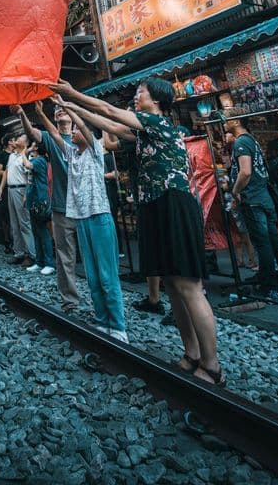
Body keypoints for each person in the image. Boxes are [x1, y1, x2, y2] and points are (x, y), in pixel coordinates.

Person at [54, 77, 223, 385]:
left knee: (188, 286)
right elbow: (108, 122)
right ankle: (192, 354)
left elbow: (108, 109)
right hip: (156, 204)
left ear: (156, 100)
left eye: (139, 92)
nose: (135, 96)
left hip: (173, 203)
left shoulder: (156, 122)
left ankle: (211, 365)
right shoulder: (145, 130)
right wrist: (73, 106)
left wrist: (72, 91)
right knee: (172, 285)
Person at [48, 96, 128, 340]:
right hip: (82, 219)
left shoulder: (95, 150)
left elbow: (82, 127)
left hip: (100, 217)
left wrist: (68, 106)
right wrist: (39, 113)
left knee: (106, 274)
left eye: (76, 130)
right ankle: (102, 320)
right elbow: (53, 133)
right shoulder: (73, 155)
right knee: (93, 275)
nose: (72, 133)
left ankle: (119, 326)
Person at [16, 103, 81, 313]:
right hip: (62, 206)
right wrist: (22, 114)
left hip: (87, 207)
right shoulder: (52, 141)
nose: (60, 110)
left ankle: (105, 308)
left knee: (93, 257)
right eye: (56, 110)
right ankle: (70, 301)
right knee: (64, 256)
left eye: (63, 108)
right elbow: (31, 132)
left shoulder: (83, 137)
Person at [226, 120, 278, 299]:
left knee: (263, 243)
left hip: (253, 199)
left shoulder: (241, 142)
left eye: (226, 118)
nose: (223, 122)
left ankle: (269, 286)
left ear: (236, 121)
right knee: (274, 241)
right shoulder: (252, 140)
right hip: (263, 198)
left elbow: (245, 171)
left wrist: (235, 190)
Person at [0, 132, 35, 266]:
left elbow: (30, 175)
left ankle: (31, 254)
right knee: (14, 223)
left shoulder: (27, 156)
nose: (16, 140)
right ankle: (18, 252)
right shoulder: (12, 155)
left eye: (20, 138)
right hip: (11, 189)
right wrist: (1, 188)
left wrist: (27, 193)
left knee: (24, 223)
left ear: (26, 143)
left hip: (21, 189)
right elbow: (7, 172)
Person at [25, 141, 55, 275]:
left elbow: (26, 164)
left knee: (43, 232)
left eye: (34, 145)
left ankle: (49, 263)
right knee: (37, 232)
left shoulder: (39, 161)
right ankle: (39, 261)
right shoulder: (39, 160)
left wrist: (24, 151)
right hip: (34, 199)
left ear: (37, 147)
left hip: (40, 199)